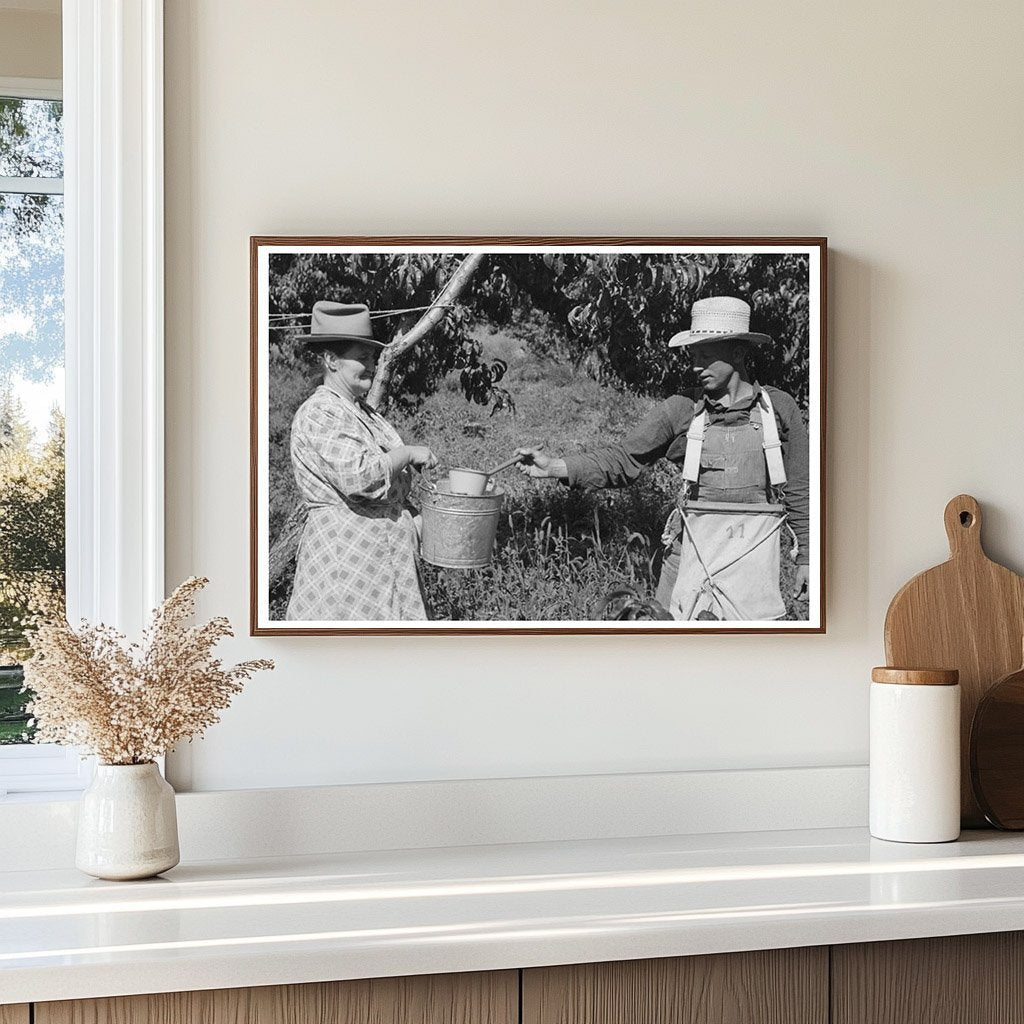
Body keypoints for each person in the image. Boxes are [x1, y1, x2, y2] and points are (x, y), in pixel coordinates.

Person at [516, 296, 810, 621]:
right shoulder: (682, 408)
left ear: (738, 353)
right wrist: (554, 466)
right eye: (693, 356)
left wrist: (806, 558)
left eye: (706, 356)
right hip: (689, 564)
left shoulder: (778, 409)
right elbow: (624, 458)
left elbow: (801, 487)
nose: (696, 366)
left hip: (753, 568)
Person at [286, 302, 437, 621]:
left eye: (373, 357)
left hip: (383, 564)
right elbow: (361, 477)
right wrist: (406, 453)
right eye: (362, 357)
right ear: (331, 361)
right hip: (347, 564)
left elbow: (384, 489)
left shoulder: (362, 413)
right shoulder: (321, 412)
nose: (371, 365)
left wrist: (413, 517)